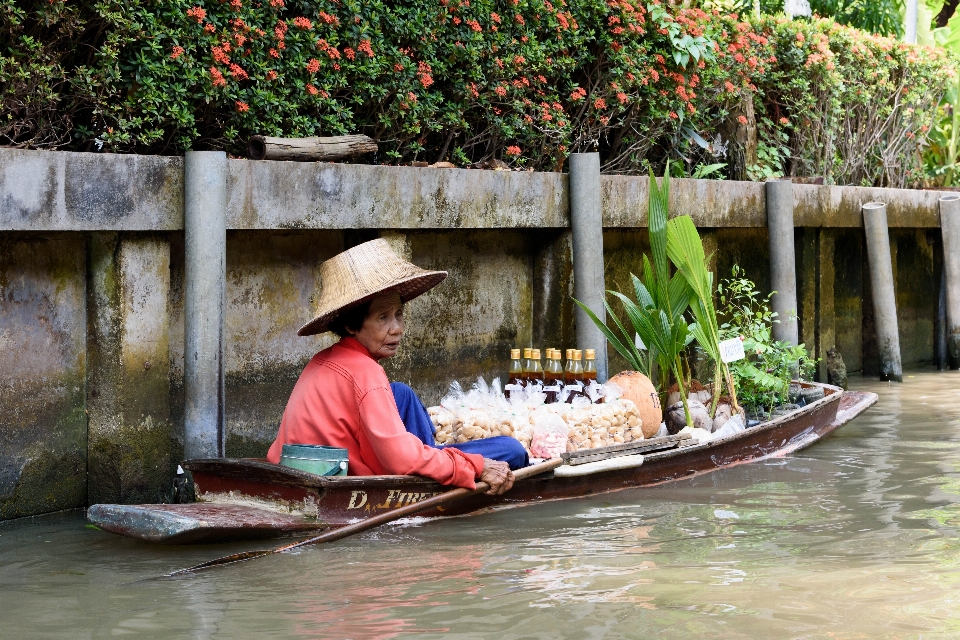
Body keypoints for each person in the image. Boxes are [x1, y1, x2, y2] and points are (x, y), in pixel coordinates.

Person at [266, 239, 529, 494]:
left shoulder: (323, 360)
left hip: (316, 463)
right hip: (344, 474)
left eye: (399, 315)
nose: (398, 329)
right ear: (350, 325)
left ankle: (431, 455)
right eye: (383, 318)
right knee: (512, 449)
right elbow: (397, 461)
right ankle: (434, 464)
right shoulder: (365, 372)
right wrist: (475, 466)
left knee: (400, 392)